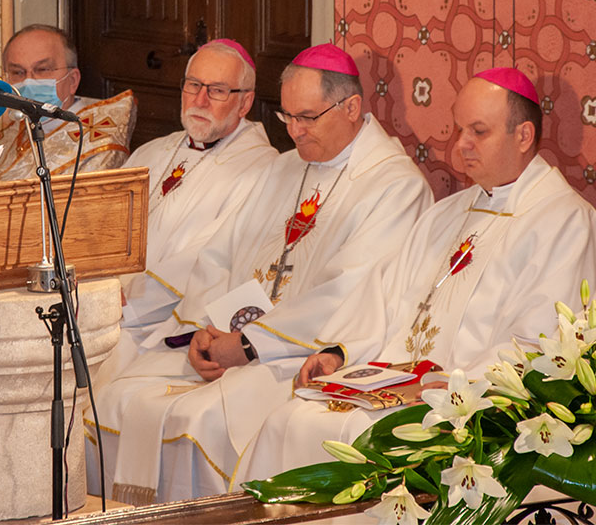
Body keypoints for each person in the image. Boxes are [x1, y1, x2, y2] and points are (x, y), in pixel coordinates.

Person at [86, 44, 433, 505]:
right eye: (287, 116)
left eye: (307, 117)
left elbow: (347, 291)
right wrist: (207, 331)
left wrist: (250, 344)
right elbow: (220, 257)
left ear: (351, 108)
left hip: (295, 354)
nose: (294, 131)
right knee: (118, 400)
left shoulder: (395, 185)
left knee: (200, 422)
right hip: (235, 342)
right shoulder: (283, 168)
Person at [235, 67, 596, 483]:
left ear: (524, 136)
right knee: (288, 420)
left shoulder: (564, 223)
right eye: (460, 130)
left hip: (467, 410)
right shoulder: (448, 214)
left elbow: (538, 342)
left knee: (344, 435)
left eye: (478, 132)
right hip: (395, 388)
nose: (461, 145)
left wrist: (455, 387)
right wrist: (340, 353)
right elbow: (384, 294)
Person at [105, 39, 277, 383]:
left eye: (217, 91)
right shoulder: (152, 151)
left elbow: (206, 258)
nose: (200, 100)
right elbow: (105, 225)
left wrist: (123, 303)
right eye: (193, 85)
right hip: (106, 305)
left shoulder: (261, 169)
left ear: (245, 102)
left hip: (160, 324)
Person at [0, 24, 136, 181]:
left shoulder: (99, 143)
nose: (29, 81)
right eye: (17, 72)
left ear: (73, 80)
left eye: (42, 69)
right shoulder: (13, 131)